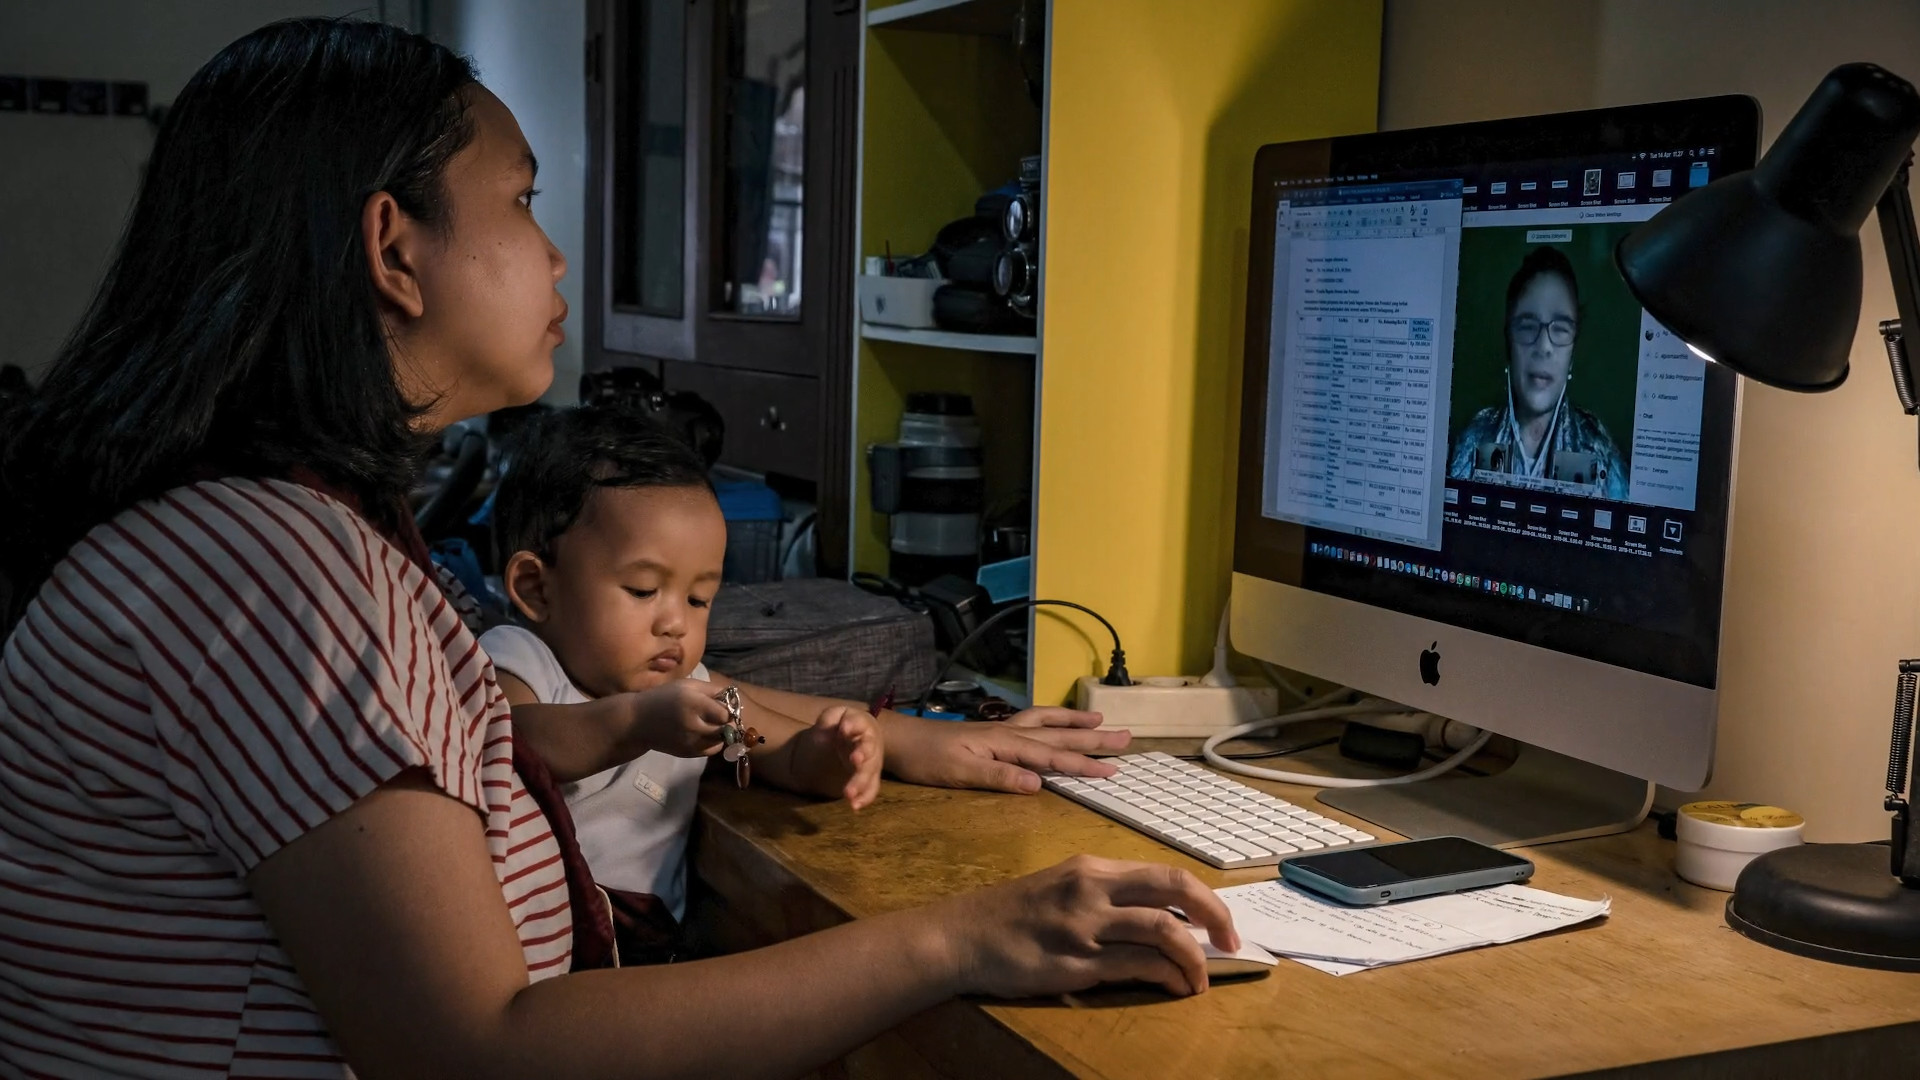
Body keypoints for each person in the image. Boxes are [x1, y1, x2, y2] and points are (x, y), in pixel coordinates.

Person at [0, 20, 1236, 1079]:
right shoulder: (272, 575)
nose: (556, 254)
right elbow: (481, 1050)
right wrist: (960, 938)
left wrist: (921, 743)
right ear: (393, 249)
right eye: (524, 201)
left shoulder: (266, 532)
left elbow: (546, 714)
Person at [486, 406, 1119, 963]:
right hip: (542, 953)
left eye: (701, 598)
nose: (675, 622)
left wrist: (835, 748)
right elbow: (518, 744)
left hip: (643, 952)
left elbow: (774, 746)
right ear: (537, 588)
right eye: (643, 590)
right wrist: (637, 723)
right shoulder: (520, 660)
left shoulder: (696, 685)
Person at [1447, 246, 1628, 498]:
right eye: (1527, 326)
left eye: (1561, 329)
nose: (1544, 347)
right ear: (1509, 342)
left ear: (1573, 353)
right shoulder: (1475, 438)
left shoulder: (1598, 450)